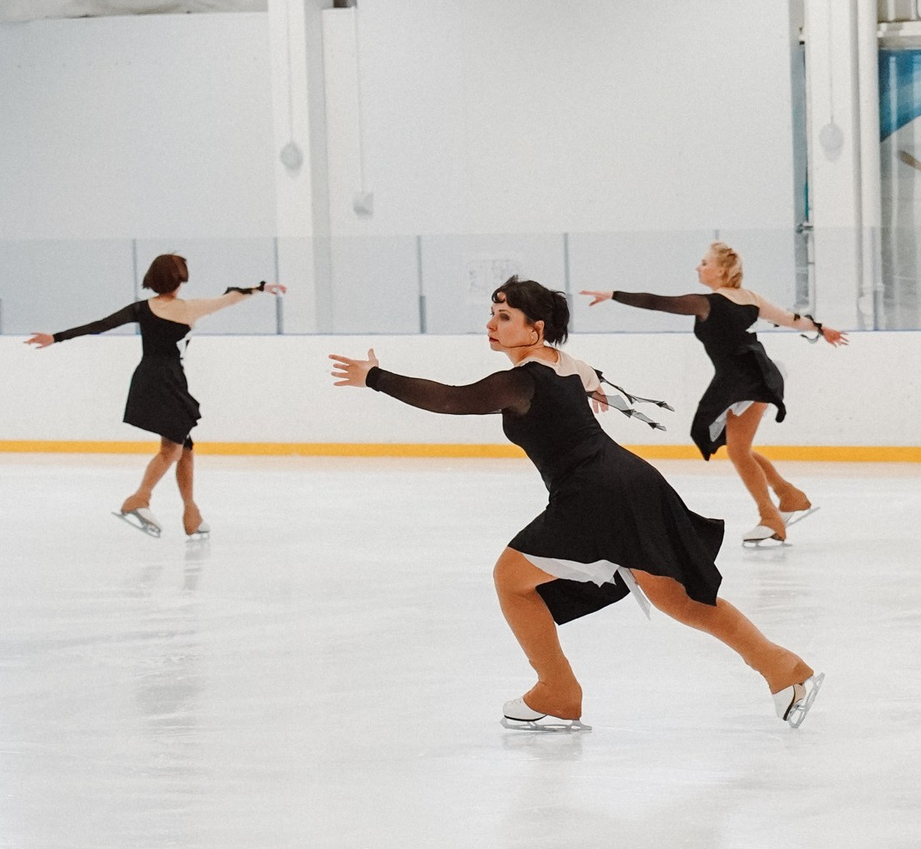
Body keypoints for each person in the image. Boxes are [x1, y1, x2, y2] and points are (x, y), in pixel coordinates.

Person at [329, 276, 820, 735]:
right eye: (493, 315)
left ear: (535, 328)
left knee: (511, 578)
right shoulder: (562, 365)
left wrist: (376, 377)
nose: (491, 325)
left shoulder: (523, 380)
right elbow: (586, 377)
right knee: (680, 600)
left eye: (504, 317)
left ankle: (558, 691)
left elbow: (452, 400)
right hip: (631, 481)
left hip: (595, 492)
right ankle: (783, 668)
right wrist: (598, 387)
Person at [581, 243, 847, 546]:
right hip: (749, 374)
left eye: (704, 262)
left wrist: (614, 295)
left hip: (745, 378)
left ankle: (771, 517)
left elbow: (657, 302)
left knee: (737, 450)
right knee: (738, 446)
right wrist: (822, 329)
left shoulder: (707, 303)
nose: (698, 267)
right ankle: (789, 495)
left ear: (721, 270)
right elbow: (790, 319)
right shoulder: (750, 298)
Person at [25, 252, 282, 540]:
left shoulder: (141, 308)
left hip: (147, 378)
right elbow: (230, 297)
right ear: (179, 280)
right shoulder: (189, 309)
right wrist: (261, 288)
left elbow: (100, 325)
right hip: (168, 380)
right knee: (171, 448)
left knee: (185, 445)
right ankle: (139, 498)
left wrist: (57, 337)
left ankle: (191, 514)